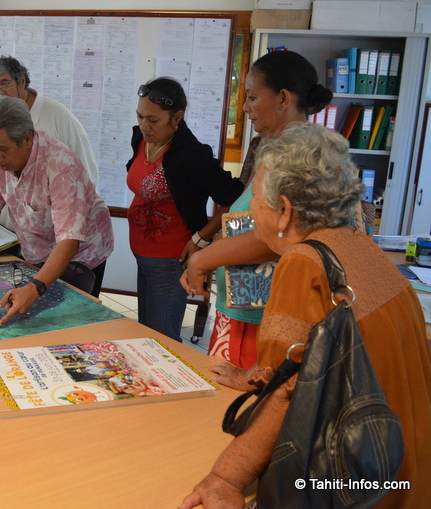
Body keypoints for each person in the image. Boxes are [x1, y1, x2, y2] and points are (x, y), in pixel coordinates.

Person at [179, 122, 431, 509]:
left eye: (256, 199)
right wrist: (256, 376)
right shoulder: (365, 248)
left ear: (284, 211)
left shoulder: (304, 263)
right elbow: (308, 367)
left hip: (356, 484)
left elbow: (287, 396)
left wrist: (225, 477)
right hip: (405, 471)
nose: (250, 210)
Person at [181, 50, 333, 367]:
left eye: (252, 97)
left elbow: (275, 238)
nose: (246, 108)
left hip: (266, 317)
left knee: (249, 407)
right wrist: (218, 252)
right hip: (244, 307)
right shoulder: (273, 147)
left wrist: (204, 257)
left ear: (282, 98)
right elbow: (246, 220)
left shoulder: (299, 154)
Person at [0, 97, 113, 325]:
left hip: (82, 255)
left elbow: (70, 239)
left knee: (68, 324)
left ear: (27, 138)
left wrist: (34, 287)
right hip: (37, 250)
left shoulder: (61, 165)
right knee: (30, 321)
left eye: (2, 149)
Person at [129, 77, 242, 342]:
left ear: (177, 117)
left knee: (162, 341)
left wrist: (202, 238)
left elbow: (233, 197)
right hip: (142, 255)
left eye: (153, 120)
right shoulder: (140, 140)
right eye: (140, 116)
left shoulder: (192, 154)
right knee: (147, 334)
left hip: (170, 260)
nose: (144, 126)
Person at [0, 55, 99, 234]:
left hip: (55, 233)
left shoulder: (57, 116)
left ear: (22, 81)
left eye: (5, 84)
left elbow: (86, 175)